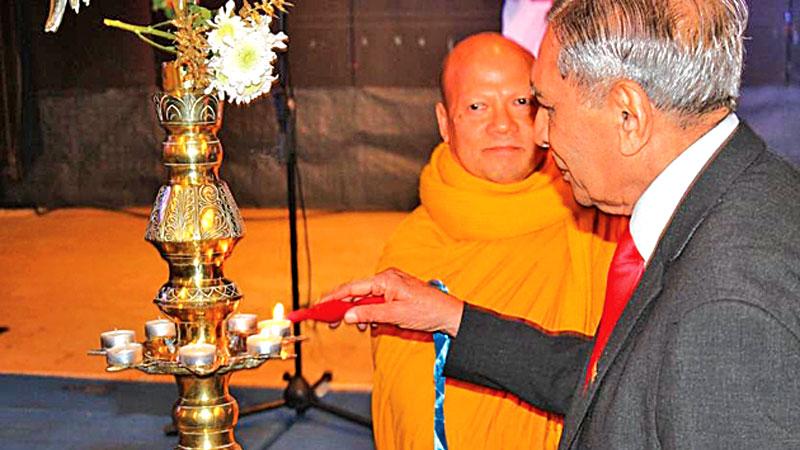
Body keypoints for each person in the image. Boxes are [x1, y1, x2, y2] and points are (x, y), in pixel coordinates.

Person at [323, 1, 800, 448]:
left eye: (545, 106)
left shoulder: (729, 306)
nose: (537, 134)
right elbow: (623, 379)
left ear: (627, 115)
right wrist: (454, 318)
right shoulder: (737, 196)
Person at [370, 32, 624, 450]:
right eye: (476, 106)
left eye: (521, 102)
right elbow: (406, 410)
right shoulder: (412, 251)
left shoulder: (599, 217)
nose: (502, 124)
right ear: (443, 122)